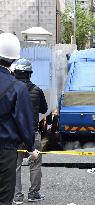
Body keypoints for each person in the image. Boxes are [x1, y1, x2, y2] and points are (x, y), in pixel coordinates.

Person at [0, 33, 39, 205]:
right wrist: (31, 147)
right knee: (4, 196)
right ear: (15, 60)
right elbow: (24, 122)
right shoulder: (17, 87)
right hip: (5, 150)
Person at [13, 58, 48, 204]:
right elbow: (44, 109)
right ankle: (33, 194)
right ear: (29, 74)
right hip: (32, 133)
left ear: (15, 73)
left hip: (14, 135)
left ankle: (17, 196)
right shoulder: (37, 90)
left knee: (15, 166)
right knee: (35, 164)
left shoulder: (11, 89)